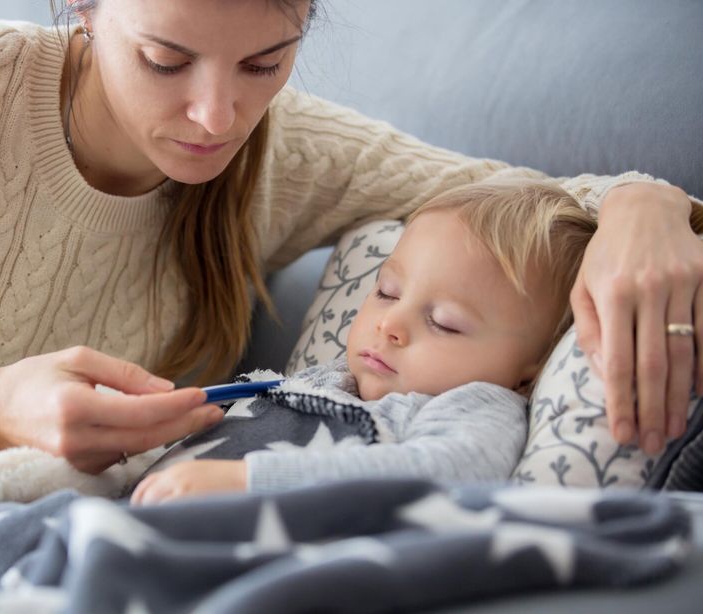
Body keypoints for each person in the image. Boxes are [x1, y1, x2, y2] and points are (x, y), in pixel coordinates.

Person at [0, 0, 700, 487]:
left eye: (265, 60)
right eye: (164, 60)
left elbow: (510, 205)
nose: (217, 117)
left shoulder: (284, 152)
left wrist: (645, 205)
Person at [130, 179, 596, 504]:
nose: (389, 323)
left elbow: (448, 473)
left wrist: (252, 482)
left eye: (445, 323)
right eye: (387, 292)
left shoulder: (475, 406)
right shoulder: (328, 378)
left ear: (527, 373)